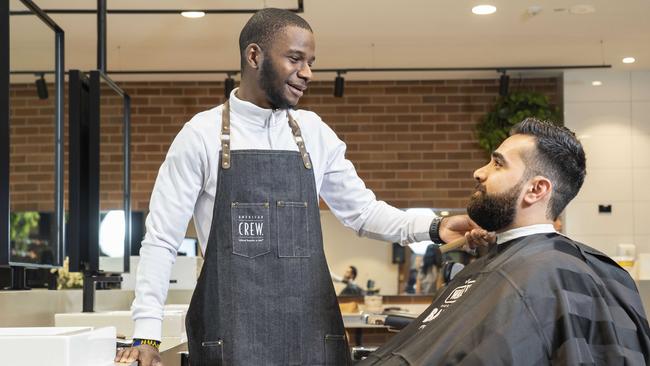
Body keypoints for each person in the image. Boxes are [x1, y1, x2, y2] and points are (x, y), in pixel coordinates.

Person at [115, 8, 489, 366]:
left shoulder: (313, 132)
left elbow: (363, 212)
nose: (307, 72)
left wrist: (435, 227)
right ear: (254, 55)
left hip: (311, 337)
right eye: (295, 59)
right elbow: (162, 238)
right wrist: (146, 334)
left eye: (311, 62)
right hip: (231, 338)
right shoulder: (200, 134)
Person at [360, 118, 650, 365]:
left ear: (536, 189)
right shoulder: (531, 264)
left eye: (497, 164)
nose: (479, 172)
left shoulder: (539, 272)